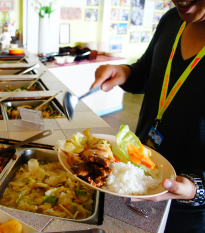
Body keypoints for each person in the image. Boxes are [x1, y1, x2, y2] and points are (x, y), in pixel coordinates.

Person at [92, 2, 205, 233]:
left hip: (186, 210)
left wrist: (196, 189)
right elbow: (147, 71)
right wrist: (125, 72)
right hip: (135, 179)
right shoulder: (172, 19)